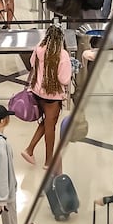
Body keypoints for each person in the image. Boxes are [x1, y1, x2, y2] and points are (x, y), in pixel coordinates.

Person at [21, 25, 71, 171]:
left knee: (46, 122)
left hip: (38, 92)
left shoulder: (39, 49)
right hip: (52, 96)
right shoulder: (62, 55)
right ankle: (48, 161)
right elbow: (64, 79)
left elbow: (32, 64)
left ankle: (29, 150)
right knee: (51, 127)